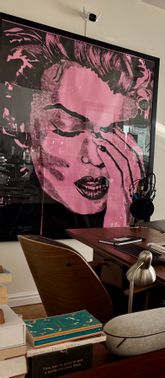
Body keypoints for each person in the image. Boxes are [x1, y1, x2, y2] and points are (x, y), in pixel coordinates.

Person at [0, 19, 156, 234]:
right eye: (68, 127)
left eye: (111, 130)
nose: (94, 158)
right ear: (18, 123)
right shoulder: (11, 223)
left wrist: (120, 213)